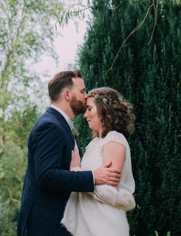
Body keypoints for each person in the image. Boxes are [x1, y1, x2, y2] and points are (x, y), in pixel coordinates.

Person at [17, 71, 123, 236]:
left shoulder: (59, 124)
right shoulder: (50, 126)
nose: (86, 96)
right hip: (45, 227)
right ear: (67, 94)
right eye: (82, 91)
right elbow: (46, 176)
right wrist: (93, 177)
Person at [61, 87, 136, 236]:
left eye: (89, 109)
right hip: (90, 226)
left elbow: (110, 193)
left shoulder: (114, 139)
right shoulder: (95, 143)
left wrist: (78, 174)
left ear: (105, 110)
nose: (85, 115)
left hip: (106, 226)